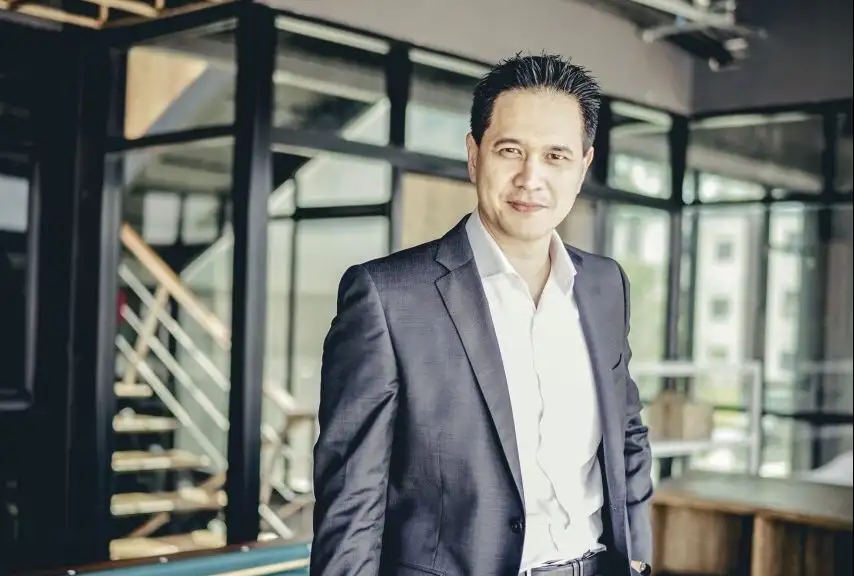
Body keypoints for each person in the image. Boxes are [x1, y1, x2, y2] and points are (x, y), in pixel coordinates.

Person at [311, 53, 653, 576]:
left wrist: (637, 557)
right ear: (474, 155)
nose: (531, 178)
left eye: (556, 156)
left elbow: (627, 432)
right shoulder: (388, 297)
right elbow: (352, 501)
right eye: (510, 150)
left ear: (583, 166)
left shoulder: (606, 285)